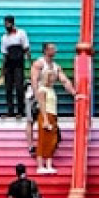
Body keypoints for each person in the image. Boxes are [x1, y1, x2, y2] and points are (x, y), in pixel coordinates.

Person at [31, 42, 77, 174]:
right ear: (45, 50)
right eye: (52, 48)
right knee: (43, 136)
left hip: (52, 107)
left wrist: (74, 92)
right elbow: (34, 80)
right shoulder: (39, 64)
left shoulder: (56, 67)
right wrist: (36, 98)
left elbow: (65, 81)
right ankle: (41, 164)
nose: (55, 50)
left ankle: (49, 163)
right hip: (43, 104)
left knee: (52, 137)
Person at [1, 15, 31, 118]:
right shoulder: (4, 37)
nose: (6, 25)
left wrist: (31, 64)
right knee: (8, 88)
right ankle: (10, 111)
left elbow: (26, 49)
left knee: (19, 88)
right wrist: (2, 70)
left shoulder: (21, 33)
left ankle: (20, 111)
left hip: (19, 65)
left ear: (12, 23)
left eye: (7, 23)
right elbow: (4, 55)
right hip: (8, 65)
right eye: (5, 24)